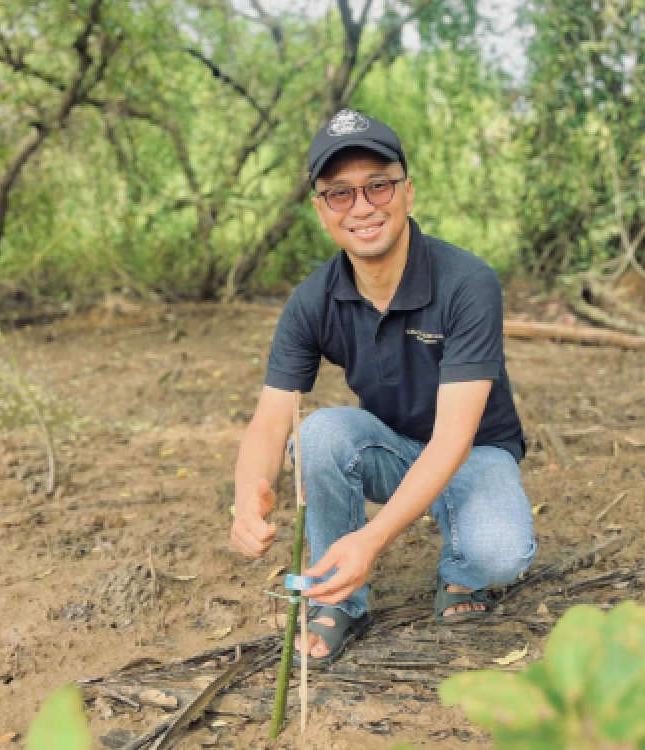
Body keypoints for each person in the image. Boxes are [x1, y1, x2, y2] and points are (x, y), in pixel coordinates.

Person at [229, 109, 536, 667]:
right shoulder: (312, 300)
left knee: (500, 552)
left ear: (408, 192)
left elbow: (452, 441)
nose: (363, 206)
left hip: (473, 451)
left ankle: (463, 576)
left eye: (378, 185)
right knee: (318, 432)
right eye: (340, 194)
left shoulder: (466, 282)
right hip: (391, 450)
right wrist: (248, 497)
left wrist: (371, 541)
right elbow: (272, 419)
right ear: (321, 211)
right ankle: (338, 599)